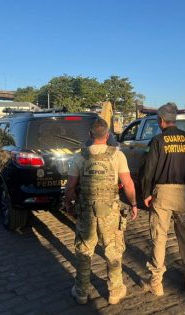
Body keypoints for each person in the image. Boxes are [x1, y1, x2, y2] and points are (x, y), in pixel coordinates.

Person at [65, 117, 138, 305]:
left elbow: (70, 187)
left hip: (86, 210)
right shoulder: (117, 155)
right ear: (107, 135)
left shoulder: (80, 156)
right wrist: (134, 204)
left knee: (84, 250)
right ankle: (115, 290)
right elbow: (128, 184)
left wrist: (69, 205)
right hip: (110, 211)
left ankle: (81, 291)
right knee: (113, 250)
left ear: (90, 135)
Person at [140, 102, 185, 296]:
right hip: (183, 194)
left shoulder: (157, 141)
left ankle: (156, 283)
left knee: (159, 238)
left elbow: (148, 170)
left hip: (162, 194)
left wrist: (146, 193)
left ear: (161, 120)